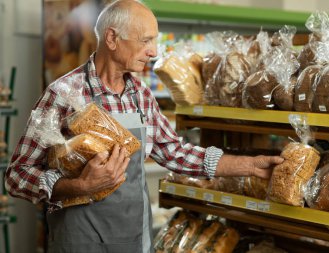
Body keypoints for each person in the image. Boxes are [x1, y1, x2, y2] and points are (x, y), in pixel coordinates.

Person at [5, 1, 284, 252]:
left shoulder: (140, 94)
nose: (154, 51)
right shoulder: (64, 93)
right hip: (80, 242)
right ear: (112, 38)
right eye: (146, 40)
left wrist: (248, 165)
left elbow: (174, 152)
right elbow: (17, 175)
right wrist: (76, 186)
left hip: (134, 241)